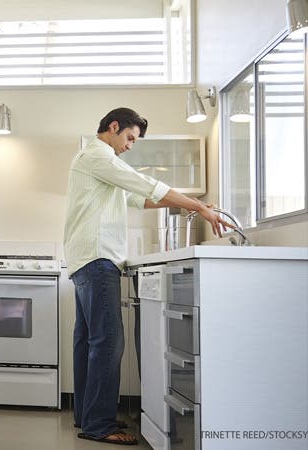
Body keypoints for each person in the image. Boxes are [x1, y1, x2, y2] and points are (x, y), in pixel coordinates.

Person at [64, 107, 232, 446]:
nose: (130, 145)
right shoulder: (99, 156)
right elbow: (145, 184)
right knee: (108, 343)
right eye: (129, 138)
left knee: (89, 342)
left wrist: (188, 203)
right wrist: (199, 206)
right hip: (98, 258)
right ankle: (98, 424)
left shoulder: (96, 161)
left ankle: (87, 415)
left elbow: (137, 198)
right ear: (113, 127)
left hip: (86, 259)